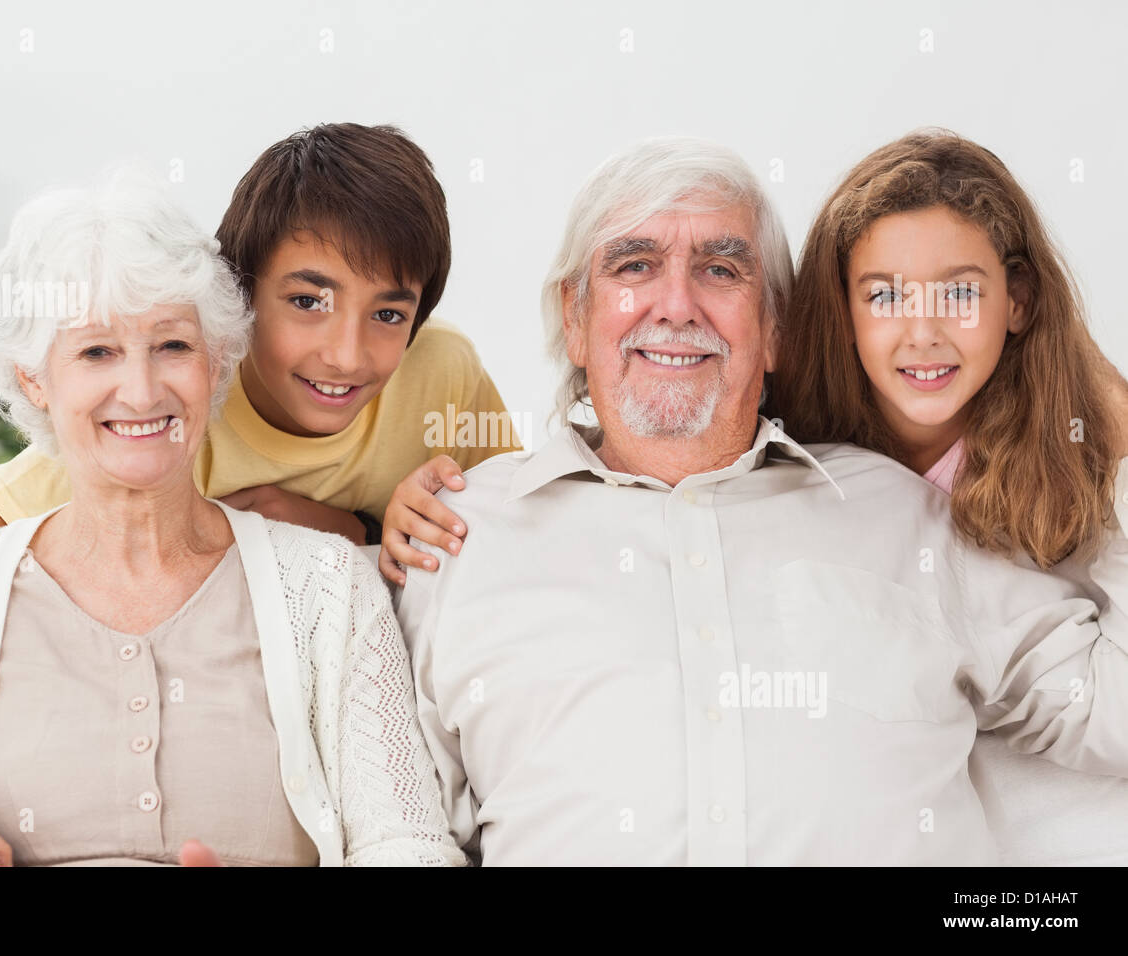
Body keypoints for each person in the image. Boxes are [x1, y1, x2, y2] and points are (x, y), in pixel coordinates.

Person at [393, 136, 1128, 865]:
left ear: (776, 327)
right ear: (577, 317)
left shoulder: (909, 515)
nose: (676, 305)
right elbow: (401, 833)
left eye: (720, 268)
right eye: (635, 265)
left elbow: (1112, 714)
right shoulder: (456, 536)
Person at [0, 123, 518, 818]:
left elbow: (526, 540)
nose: (345, 354)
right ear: (240, 301)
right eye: (308, 301)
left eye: (389, 313)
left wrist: (361, 528)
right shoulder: (157, 418)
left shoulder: (440, 376)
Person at [766, 128, 1128, 864]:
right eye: (885, 295)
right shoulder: (788, 450)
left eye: (961, 291)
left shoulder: (1085, 462)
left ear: (1017, 300)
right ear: (843, 308)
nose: (922, 333)